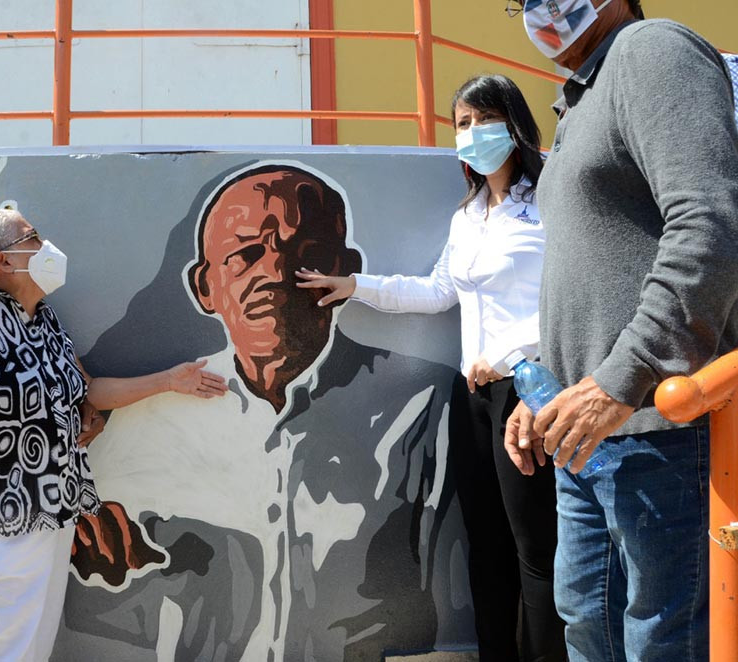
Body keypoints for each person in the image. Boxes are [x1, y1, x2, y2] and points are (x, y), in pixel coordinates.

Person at [65, 162, 466, 661]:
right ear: (204, 287)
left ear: (345, 267)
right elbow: (117, 611)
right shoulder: (154, 425)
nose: (274, 274)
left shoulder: (420, 406)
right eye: (245, 255)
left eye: (307, 254)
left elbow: (454, 605)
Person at [0, 208, 226, 661]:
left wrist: (168, 380)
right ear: (4, 262)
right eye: (33, 237)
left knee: (29, 647)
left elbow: (87, 391)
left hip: (51, 506)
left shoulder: (43, 318)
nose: (46, 245)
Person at [297, 74, 564, 661]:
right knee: (486, 548)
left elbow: (576, 300)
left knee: (536, 553)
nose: (470, 135)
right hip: (471, 397)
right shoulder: (468, 215)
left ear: (513, 123)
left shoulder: (552, 203)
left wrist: (517, 354)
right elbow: (437, 291)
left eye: (481, 120)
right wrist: (355, 285)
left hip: (529, 394)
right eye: (460, 124)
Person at [502, 1, 738, 660]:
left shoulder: (651, 50)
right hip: (590, 436)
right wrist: (545, 389)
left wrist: (620, 381)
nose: (536, 9)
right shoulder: (580, 102)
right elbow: (598, 270)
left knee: (663, 642)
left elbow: (709, 229)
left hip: (663, 432)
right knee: (588, 627)